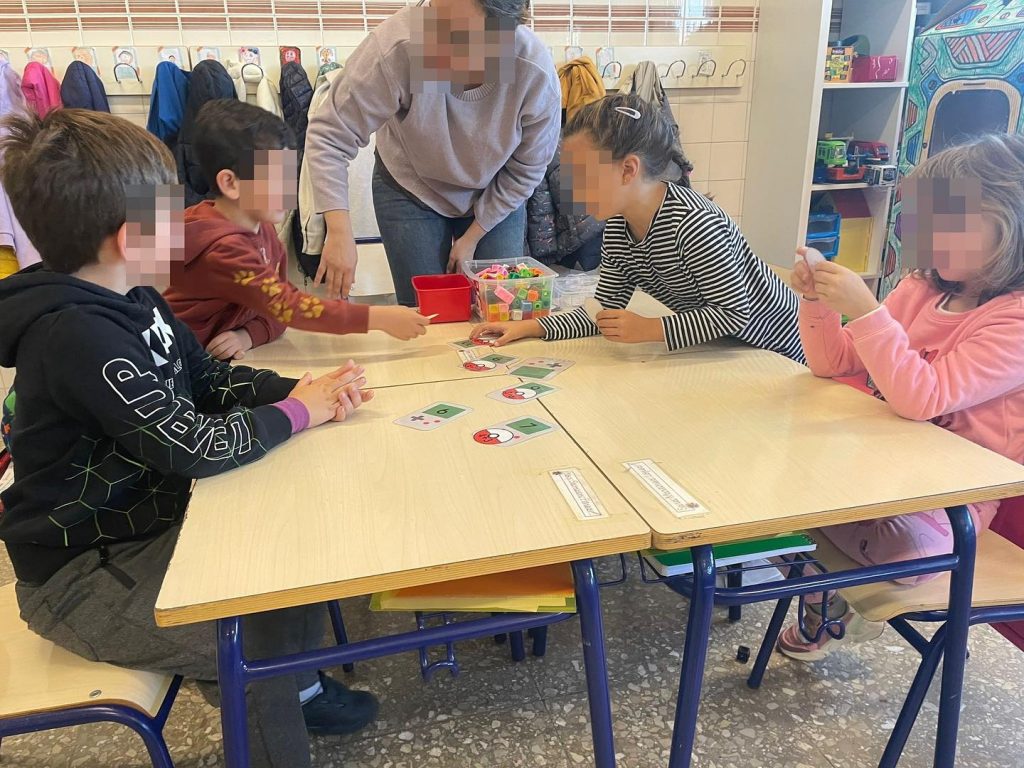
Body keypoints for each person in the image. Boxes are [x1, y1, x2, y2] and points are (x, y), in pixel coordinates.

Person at [0, 108, 379, 768]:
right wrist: (299, 413)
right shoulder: (76, 335)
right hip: (82, 576)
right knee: (254, 648)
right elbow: (190, 446)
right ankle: (280, 695)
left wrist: (294, 389)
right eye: (172, 216)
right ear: (131, 238)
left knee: (300, 551)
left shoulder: (136, 295)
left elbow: (204, 377)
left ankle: (298, 688)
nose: (185, 227)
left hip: (155, 527)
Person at [778, 132, 1024, 660]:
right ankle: (826, 584)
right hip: (883, 468)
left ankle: (825, 585)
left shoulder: (1015, 320)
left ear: (1009, 228)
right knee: (773, 503)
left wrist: (868, 312)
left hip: (951, 499)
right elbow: (835, 362)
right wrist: (818, 302)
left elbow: (922, 396)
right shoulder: (921, 287)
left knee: (904, 549)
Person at [470, 94, 805, 362]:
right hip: (724, 351)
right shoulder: (618, 227)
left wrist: (651, 328)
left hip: (778, 351)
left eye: (582, 176)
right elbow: (603, 311)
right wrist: (531, 327)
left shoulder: (695, 224)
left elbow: (733, 314)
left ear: (628, 170)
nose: (571, 191)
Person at [305, 0, 561, 306]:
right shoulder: (400, 44)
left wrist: (473, 236)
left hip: (494, 190)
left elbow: (527, 169)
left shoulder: (532, 69)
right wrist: (338, 231)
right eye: (436, 21)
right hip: (411, 187)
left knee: (501, 306)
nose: (439, 42)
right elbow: (331, 133)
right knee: (425, 312)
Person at [164, 99, 428, 360]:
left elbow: (279, 308)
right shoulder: (224, 248)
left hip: (220, 358)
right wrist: (377, 318)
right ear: (230, 183)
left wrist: (248, 335)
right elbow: (290, 307)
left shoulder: (263, 229)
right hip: (178, 362)